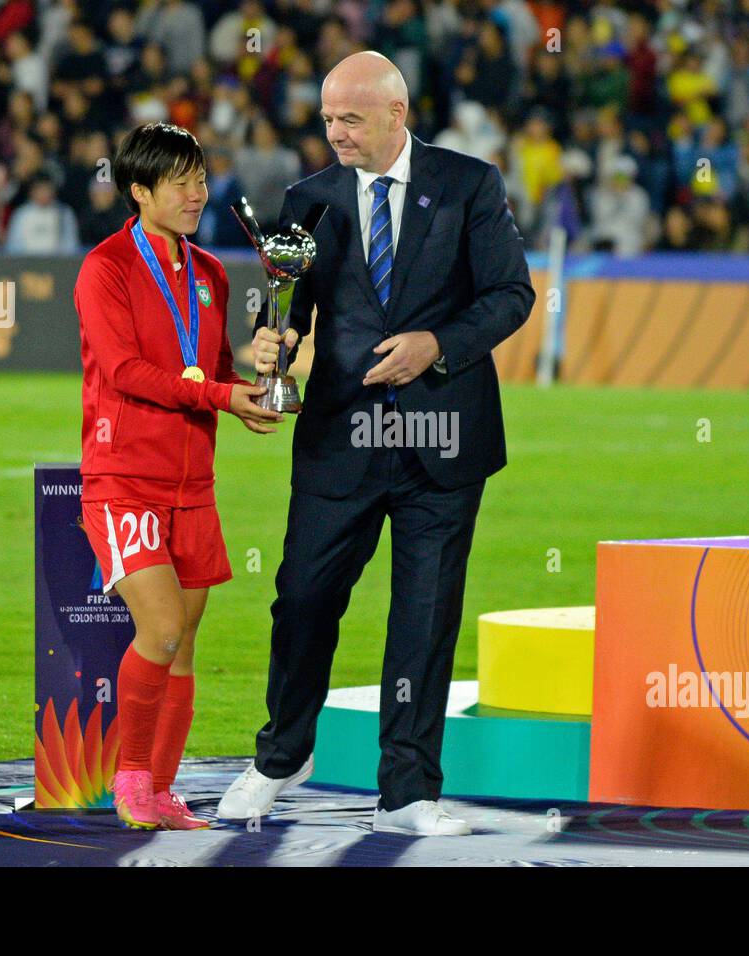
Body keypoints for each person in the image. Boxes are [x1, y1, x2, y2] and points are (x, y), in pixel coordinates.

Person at [217, 52, 534, 836]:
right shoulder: (309, 199)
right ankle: (282, 755)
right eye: (328, 118)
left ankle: (409, 791)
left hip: (444, 439)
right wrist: (272, 344)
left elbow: (512, 295)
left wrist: (438, 344)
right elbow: (286, 307)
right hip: (341, 440)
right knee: (301, 601)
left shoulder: (469, 185)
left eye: (350, 119)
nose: (335, 133)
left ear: (397, 113)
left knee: (424, 619)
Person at [74, 121, 284, 829]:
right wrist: (220, 394)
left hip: (193, 485)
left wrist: (244, 395)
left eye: (200, 178)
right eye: (181, 182)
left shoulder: (212, 274)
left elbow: (211, 369)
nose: (199, 193)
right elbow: (126, 372)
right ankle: (131, 780)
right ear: (139, 191)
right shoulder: (104, 268)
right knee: (160, 629)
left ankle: (162, 789)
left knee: (186, 641)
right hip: (124, 476)